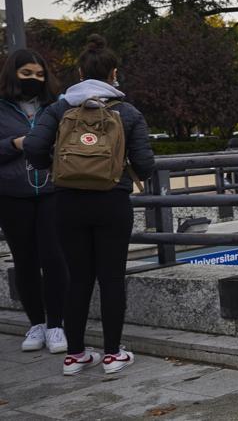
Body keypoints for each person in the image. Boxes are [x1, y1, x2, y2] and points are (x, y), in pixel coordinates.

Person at [24, 35, 155, 375]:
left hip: (67, 203)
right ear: (114, 73)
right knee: (111, 278)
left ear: (80, 72)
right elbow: (145, 162)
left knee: (77, 277)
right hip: (112, 200)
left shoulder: (59, 108)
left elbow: (35, 147)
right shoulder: (127, 112)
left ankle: (76, 354)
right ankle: (112, 354)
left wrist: (53, 167)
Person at [0, 49, 68, 354]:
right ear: (13, 74)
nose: (33, 80)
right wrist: (14, 144)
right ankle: (36, 323)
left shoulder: (56, 106)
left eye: (39, 75)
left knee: (54, 258)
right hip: (13, 194)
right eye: (26, 73)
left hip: (52, 192)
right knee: (25, 261)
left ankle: (56, 324)